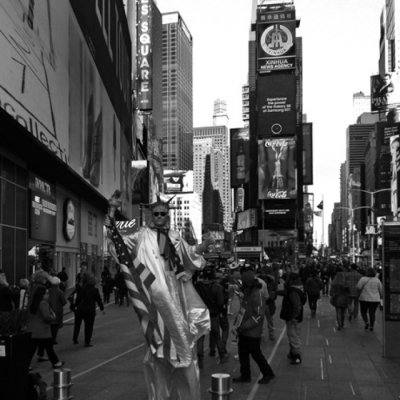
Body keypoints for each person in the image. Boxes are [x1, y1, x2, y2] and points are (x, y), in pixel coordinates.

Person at [105, 192, 213, 400]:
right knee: (160, 349)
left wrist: (204, 246)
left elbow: (189, 254)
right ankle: (163, 387)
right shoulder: (140, 236)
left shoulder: (174, 236)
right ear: (150, 215)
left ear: (169, 215)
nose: (160, 217)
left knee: (182, 344)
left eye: (164, 213)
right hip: (154, 297)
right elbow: (115, 240)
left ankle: (183, 383)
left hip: (176, 296)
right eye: (156, 213)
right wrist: (111, 210)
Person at [232, 266, 275, 384]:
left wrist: (243, 326)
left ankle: (268, 373)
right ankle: (245, 375)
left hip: (252, 332)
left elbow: (258, 316)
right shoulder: (248, 293)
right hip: (245, 330)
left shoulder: (257, 294)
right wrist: (237, 324)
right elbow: (244, 311)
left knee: (256, 354)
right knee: (243, 354)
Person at [195, 268, 229, 368]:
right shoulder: (217, 287)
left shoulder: (197, 286)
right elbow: (220, 302)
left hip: (201, 315)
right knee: (217, 336)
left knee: (200, 338)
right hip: (213, 315)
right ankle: (222, 356)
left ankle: (200, 360)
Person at [27, 286, 64, 369]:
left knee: (32, 349)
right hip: (43, 330)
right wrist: (53, 317)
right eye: (46, 293)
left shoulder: (34, 303)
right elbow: (46, 316)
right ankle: (56, 362)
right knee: (49, 347)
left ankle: (27, 364)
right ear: (42, 295)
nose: (48, 295)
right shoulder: (43, 303)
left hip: (33, 329)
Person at [280, 272, 306, 365]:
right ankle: (292, 353)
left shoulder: (293, 291)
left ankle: (297, 356)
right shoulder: (299, 288)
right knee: (294, 335)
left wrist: (294, 316)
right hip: (297, 317)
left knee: (293, 336)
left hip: (293, 318)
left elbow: (296, 305)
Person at [72, 273, 105, 346]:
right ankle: (87, 341)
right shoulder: (95, 290)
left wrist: (75, 306)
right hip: (89, 310)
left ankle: (75, 338)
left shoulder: (81, 288)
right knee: (88, 326)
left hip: (80, 309)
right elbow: (98, 300)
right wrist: (102, 309)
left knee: (77, 325)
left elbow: (78, 299)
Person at [357, 267, 382, 332]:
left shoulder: (363, 279)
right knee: (372, 313)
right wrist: (381, 297)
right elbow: (381, 290)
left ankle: (366, 322)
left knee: (363, 312)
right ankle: (372, 326)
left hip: (364, 298)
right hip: (374, 299)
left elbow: (358, 287)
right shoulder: (377, 280)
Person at [48, 277, 67, 344]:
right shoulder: (60, 292)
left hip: (49, 309)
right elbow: (64, 302)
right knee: (55, 325)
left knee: (50, 325)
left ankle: (49, 338)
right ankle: (53, 339)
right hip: (58, 310)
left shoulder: (48, 291)